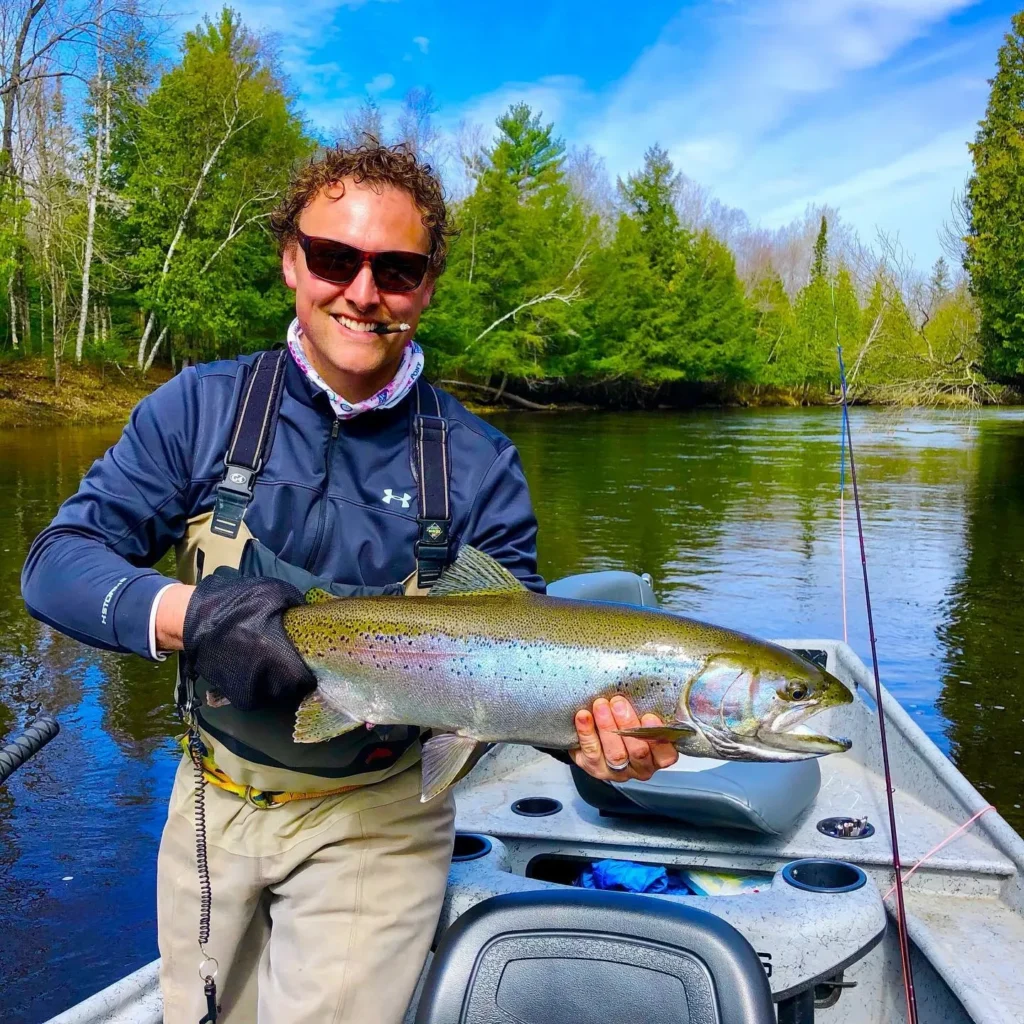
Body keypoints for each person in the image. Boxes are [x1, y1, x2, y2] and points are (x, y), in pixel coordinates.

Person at [21, 140, 678, 1024]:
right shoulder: (199, 408)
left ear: (428, 285)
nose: (363, 293)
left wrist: (590, 745)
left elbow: (522, 656)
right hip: (210, 799)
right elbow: (57, 564)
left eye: (396, 270)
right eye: (335, 258)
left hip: (381, 812)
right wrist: (193, 616)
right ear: (292, 260)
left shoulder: (479, 464)